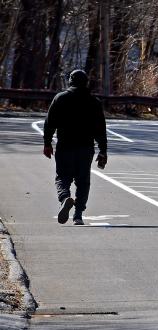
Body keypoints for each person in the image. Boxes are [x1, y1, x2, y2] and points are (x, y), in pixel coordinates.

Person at [42, 69, 108, 226]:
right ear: (86, 83)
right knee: (83, 181)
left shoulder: (60, 98)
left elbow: (49, 122)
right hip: (85, 148)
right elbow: (100, 129)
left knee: (62, 177)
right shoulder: (94, 102)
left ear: (70, 81)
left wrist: (47, 143)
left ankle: (65, 198)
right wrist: (103, 151)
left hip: (65, 146)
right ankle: (78, 215)